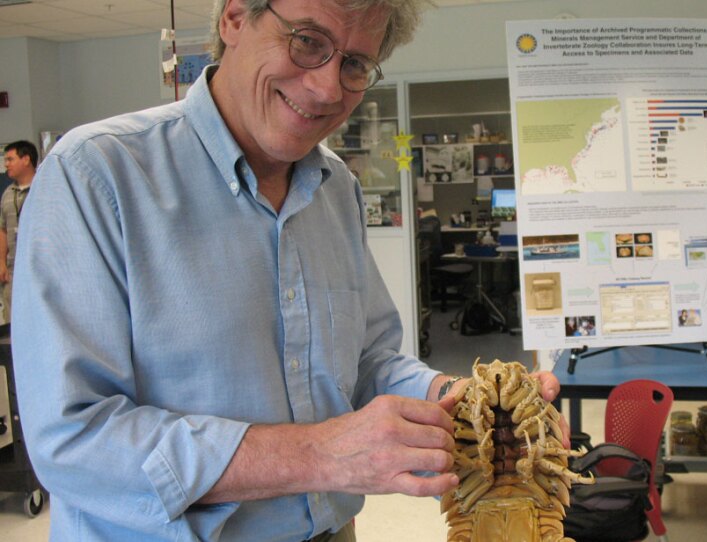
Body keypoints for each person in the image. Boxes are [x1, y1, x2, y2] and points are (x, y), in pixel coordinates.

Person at [12, 1, 566, 540]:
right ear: (234, 18)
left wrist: (465, 399)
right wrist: (317, 455)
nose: (327, 89)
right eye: (307, 42)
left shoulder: (336, 188)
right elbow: (72, 440)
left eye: (353, 64)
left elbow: (366, 361)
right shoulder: (96, 174)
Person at [0, 140, 37, 323]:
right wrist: (1, 262)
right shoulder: (7, 193)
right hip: (13, 271)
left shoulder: (43, 187)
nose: (6, 164)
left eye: (10, 159)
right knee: (12, 324)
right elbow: (3, 230)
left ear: (26, 159)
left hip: (38, 269)